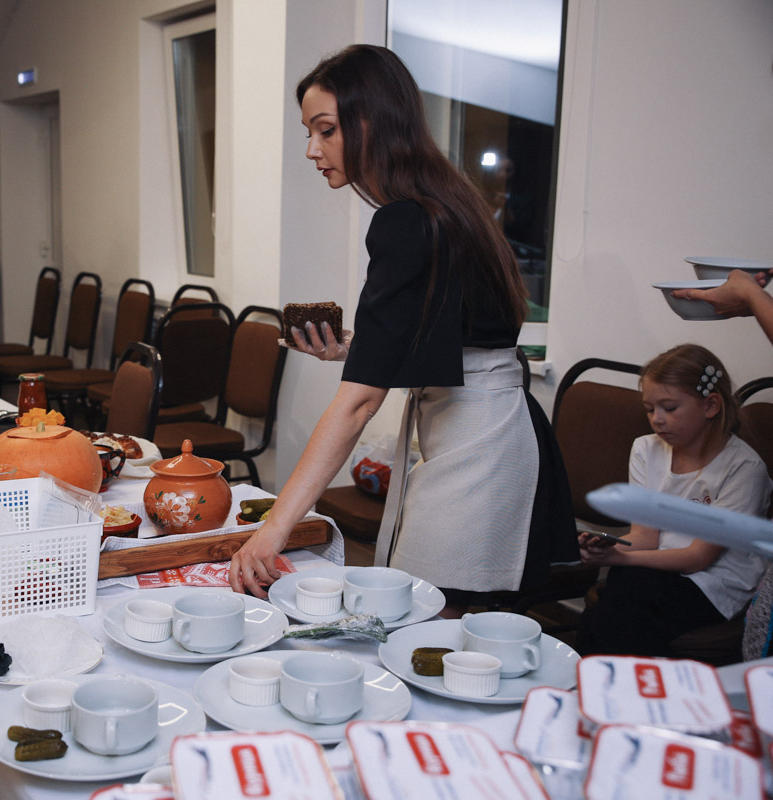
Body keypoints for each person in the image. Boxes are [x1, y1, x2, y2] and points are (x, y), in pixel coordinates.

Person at [228, 45, 577, 612]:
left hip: (481, 447)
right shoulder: (446, 200)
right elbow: (463, 337)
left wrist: (274, 528)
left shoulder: (404, 221)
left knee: (432, 620)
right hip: (500, 429)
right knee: (428, 616)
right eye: (309, 132)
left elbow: (359, 405)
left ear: (371, 122)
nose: (313, 150)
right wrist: (357, 350)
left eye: (326, 130)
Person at [575, 344, 771, 657]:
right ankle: (623, 684)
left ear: (711, 406)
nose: (657, 419)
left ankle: (602, 680)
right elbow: (645, 537)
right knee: (626, 595)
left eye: (670, 408)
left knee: (623, 600)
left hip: (714, 584)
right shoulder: (645, 449)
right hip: (657, 569)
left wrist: (622, 559)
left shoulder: (744, 468)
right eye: (650, 409)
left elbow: (698, 557)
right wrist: (610, 548)